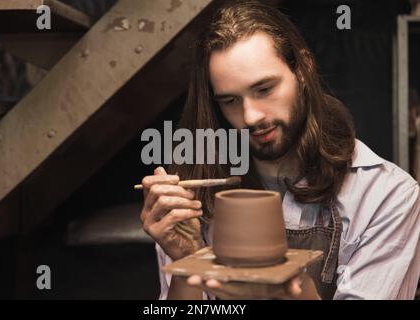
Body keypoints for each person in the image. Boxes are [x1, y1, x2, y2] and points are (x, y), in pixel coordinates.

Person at [139, 0, 420, 299]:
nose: (251, 117)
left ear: (303, 68)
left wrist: (294, 291)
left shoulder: (386, 197)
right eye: (230, 101)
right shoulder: (193, 197)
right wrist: (186, 259)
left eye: (264, 89)